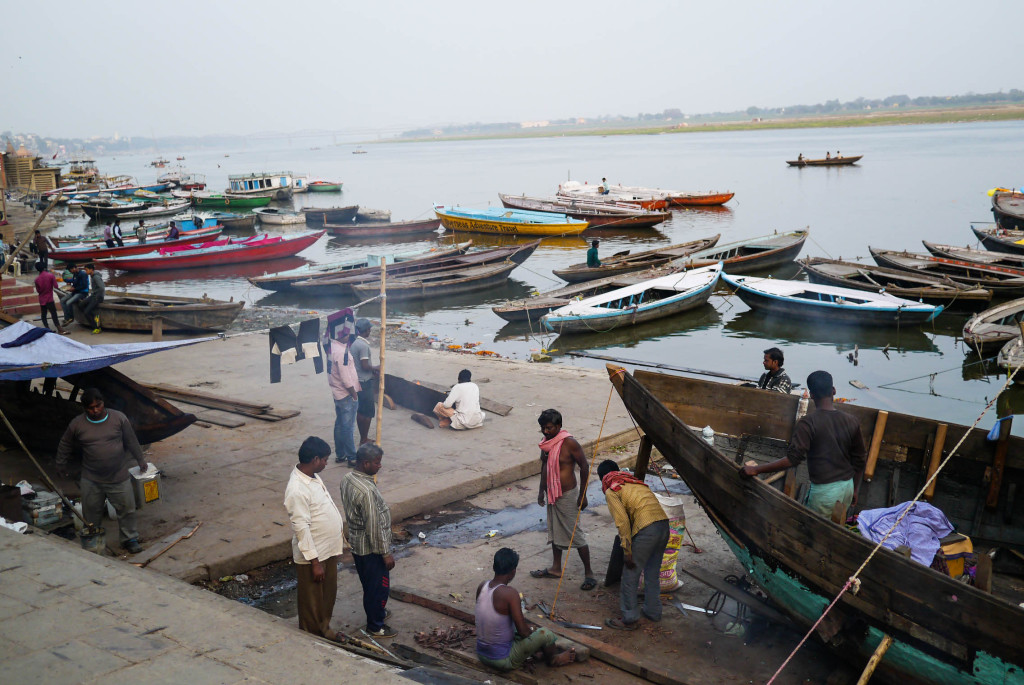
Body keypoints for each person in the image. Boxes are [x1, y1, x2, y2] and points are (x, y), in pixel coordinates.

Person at [740, 370, 867, 518]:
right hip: (848, 487)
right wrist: (856, 489)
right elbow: (860, 459)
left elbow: (792, 460)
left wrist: (756, 470)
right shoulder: (851, 420)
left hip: (825, 492)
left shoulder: (808, 423)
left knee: (812, 532)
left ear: (811, 395)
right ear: (833, 391)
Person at [56, 388, 148, 554]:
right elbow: (65, 444)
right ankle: (94, 541)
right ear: (84, 408)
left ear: (103, 403)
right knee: (91, 513)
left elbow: (131, 440)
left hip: (118, 475)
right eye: (91, 408)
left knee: (127, 509)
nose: (96, 410)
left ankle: (130, 539)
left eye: (98, 405)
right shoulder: (78, 424)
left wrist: (140, 459)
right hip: (91, 478)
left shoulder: (118, 418)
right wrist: (61, 463)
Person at [283, 436, 345, 641]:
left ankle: (324, 630)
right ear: (315, 459)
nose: (327, 463)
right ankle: (312, 638)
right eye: (325, 460)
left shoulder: (313, 477)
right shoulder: (296, 489)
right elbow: (301, 527)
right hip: (314, 555)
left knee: (326, 596)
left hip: (327, 549)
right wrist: (314, 562)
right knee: (312, 601)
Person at [597, 460, 670, 630]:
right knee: (652, 573)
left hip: (646, 529)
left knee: (630, 575)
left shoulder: (612, 490)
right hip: (664, 526)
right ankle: (653, 611)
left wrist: (627, 551)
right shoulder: (635, 482)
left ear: (602, 478)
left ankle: (629, 618)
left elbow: (622, 523)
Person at [476, 547, 575, 671]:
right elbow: (523, 632)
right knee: (546, 634)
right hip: (502, 660)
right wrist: (537, 641)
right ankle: (554, 659)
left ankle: (537, 652)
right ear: (513, 572)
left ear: (494, 567)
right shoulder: (510, 594)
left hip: (481, 653)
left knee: (519, 629)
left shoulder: (482, 586)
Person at [530, 409, 597, 591]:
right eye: (543, 428)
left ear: (559, 426)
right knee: (555, 531)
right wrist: (541, 491)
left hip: (567, 495)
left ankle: (589, 573)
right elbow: (544, 467)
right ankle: (556, 568)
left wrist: (583, 495)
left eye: (549, 428)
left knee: (575, 533)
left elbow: (584, 467)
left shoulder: (569, 443)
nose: (546, 432)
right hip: (552, 493)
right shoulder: (546, 444)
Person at [339, 443, 396, 638]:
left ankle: (376, 613)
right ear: (365, 463)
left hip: (357, 543)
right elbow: (373, 526)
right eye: (377, 463)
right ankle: (376, 625)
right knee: (378, 587)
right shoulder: (366, 492)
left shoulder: (348, 479)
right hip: (371, 548)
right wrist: (385, 553)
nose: (380, 466)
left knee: (369, 584)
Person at [328, 322, 361, 465]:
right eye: (347, 334)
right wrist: (353, 394)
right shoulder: (341, 353)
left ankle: (340, 454)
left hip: (337, 392)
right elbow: (345, 378)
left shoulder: (332, 347)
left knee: (340, 424)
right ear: (341, 335)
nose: (349, 336)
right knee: (348, 427)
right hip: (346, 393)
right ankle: (352, 457)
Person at [350, 318, 378, 445]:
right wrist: (376, 368)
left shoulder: (354, 343)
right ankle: (364, 439)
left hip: (357, 380)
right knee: (367, 412)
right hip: (364, 382)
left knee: (361, 411)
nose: (370, 331)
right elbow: (365, 365)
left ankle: (363, 437)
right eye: (369, 329)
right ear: (366, 331)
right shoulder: (363, 346)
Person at [34, 263, 67, 334]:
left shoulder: (37, 279)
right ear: (44, 268)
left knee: (43, 314)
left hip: (42, 298)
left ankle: (47, 328)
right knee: (53, 313)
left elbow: (38, 290)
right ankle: (59, 328)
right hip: (49, 298)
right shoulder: (50, 276)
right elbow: (56, 286)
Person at [80, 263, 105, 334]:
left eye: (86, 270)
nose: (85, 271)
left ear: (91, 270)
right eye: (85, 270)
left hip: (97, 297)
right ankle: (94, 315)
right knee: (81, 304)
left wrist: (97, 296)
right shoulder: (92, 276)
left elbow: (102, 288)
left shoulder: (96, 277)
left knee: (86, 312)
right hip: (93, 296)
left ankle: (97, 328)